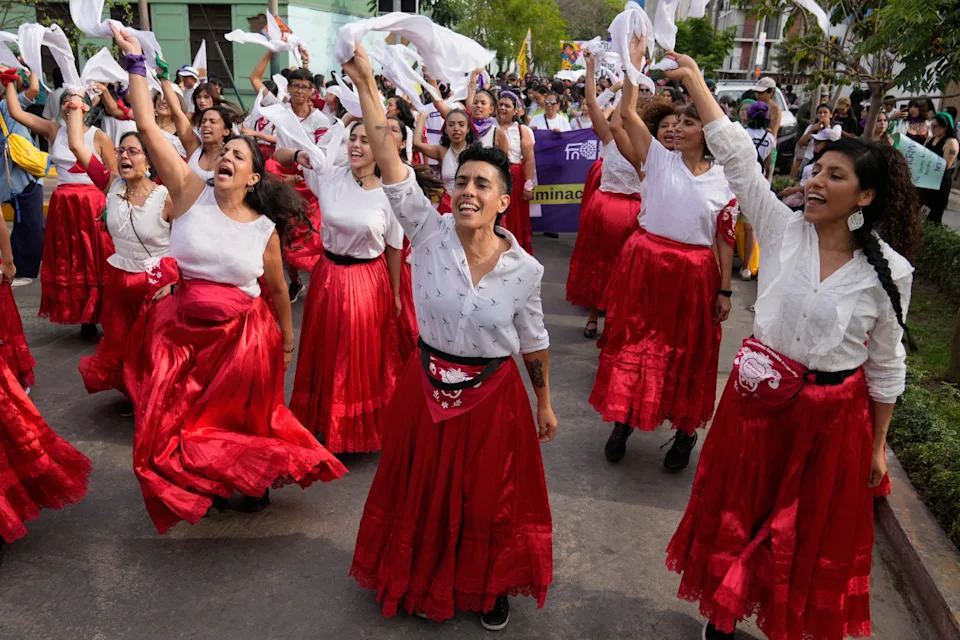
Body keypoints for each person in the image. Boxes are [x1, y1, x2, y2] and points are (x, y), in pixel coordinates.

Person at [663, 50, 920, 640]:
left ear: (865, 198)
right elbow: (735, 157)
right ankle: (722, 617)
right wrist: (699, 84)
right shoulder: (781, 230)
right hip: (755, 408)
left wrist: (877, 448)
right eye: (815, 169)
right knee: (738, 512)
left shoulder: (890, 274)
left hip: (830, 424)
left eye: (835, 175)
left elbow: (886, 366)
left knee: (800, 533)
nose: (815, 181)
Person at [342, 42, 556, 632]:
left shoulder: (526, 272)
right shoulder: (429, 233)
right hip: (426, 385)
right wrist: (365, 83)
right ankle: (416, 576)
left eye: (482, 185)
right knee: (422, 491)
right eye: (461, 180)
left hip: (493, 398)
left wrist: (542, 400)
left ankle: (490, 586)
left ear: (503, 202)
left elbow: (533, 339)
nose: (468, 191)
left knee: (488, 498)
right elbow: (388, 158)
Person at [110, 26, 346, 534]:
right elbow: (150, 130)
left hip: (244, 337)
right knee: (182, 414)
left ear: (253, 177)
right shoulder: (190, 192)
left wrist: (286, 337)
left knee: (240, 417)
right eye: (225, 154)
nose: (228, 159)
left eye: (239, 156)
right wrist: (135, 64)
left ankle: (249, 479)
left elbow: (279, 290)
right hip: (181, 331)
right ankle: (205, 479)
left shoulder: (264, 228)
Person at [594, 34, 736, 473]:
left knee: (686, 353)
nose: (676, 128)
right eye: (674, 123)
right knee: (634, 345)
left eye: (688, 124)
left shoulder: (724, 180)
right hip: (646, 264)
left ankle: (685, 433)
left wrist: (725, 290)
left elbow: (725, 239)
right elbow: (628, 115)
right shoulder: (657, 159)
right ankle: (623, 420)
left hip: (694, 274)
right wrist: (634, 64)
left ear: (706, 134)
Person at [277, 121, 405, 454]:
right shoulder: (330, 176)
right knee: (326, 350)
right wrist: (302, 153)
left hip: (368, 281)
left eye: (365, 140)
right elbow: (278, 156)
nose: (355, 145)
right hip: (328, 276)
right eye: (352, 139)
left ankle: (355, 430)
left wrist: (394, 293)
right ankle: (325, 422)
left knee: (360, 356)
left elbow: (394, 247)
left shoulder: (391, 193)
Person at [66, 104, 173, 407]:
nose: (124, 156)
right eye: (121, 151)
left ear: (149, 160)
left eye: (133, 151)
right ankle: (136, 393)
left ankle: (158, 398)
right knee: (122, 341)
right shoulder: (111, 184)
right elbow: (77, 144)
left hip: (154, 276)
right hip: (119, 274)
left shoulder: (166, 198)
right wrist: (76, 99)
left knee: (153, 344)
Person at [4, 79, 117, 340]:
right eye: (65, 100)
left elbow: (112, 177)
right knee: (72, 261)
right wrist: (9, 82)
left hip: (92, 204)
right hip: (64, 205)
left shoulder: (98, 136)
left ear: (85, 107)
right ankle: (84, 317)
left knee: (95, 260)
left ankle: (104, 314)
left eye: (74, 101)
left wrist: (113, 209)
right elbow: (16, 113)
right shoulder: (54, 130)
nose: (68, 105)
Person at [566, 51, 645, 338]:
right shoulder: (609, 138)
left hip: (636, 215)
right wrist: (590, 68)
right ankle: (592, 316)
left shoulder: (650, 149)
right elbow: (590, 103)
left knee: (625, 269)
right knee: (597, 264)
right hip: (604, 211)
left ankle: (615, 316)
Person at [0, 68, 45, 286]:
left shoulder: (8, 105)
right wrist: (31, 66)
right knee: (28, 222)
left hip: (18, 173)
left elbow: (33, 89)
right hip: (19, 173)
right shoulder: (8, 106)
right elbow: (34, 88)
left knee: (28, 222)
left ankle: (22, 268)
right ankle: (19, 268)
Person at [494, 91, 536, 254]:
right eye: (500, 105)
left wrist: (529, 185)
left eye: (507, 106)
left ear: (515, 110)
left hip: (515, 178)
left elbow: (530, 160)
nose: (503, 108)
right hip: (494, 176)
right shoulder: (489, 127)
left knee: (514, 216)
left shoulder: (521, 130)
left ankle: (515, 252)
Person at [414, 108, 476, 213]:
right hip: (448, 206)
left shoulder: (476, 152)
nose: (456, 129)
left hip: (470, 206)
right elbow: (417, 144)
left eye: (461, 125)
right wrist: (422, 119)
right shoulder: (441, 151)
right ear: (446, 130)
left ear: (468, 129)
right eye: (451, 125)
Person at [918, 112, 958, 225]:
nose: (933, 129)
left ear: (945, 127)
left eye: (935, 126)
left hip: (939, 185)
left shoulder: (951, 142)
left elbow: (945, 165)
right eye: (931, 126)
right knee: (921, 213)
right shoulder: (930, 139)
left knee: (933, 215)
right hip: (926, 182)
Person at [791, 103, 832, 179]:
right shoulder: (811, 127)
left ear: (830, 115)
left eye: (825, 112)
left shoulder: (834, 128)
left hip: (825, 160)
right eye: (820, 113)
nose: (822, 115)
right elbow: (801, 143)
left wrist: (827, 127)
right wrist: (812, 130)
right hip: (809, 159)